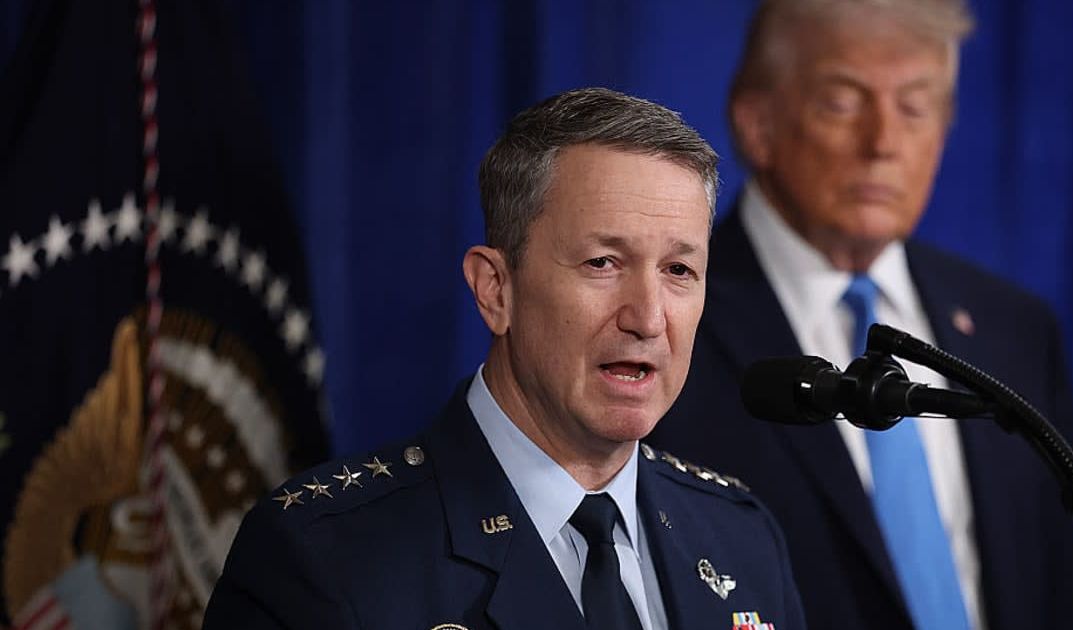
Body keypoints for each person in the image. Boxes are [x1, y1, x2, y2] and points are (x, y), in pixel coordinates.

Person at [203, 87, 807, 630]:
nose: (648, 318)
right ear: (496, 289)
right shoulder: (323, 558)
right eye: (603, 263)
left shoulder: (741, 538)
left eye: (679, 271)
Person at [648, 1, 1073, 629]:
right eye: (843, 102)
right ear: (757, 122)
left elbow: (1061, 586)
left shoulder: (1014, 330)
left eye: (915, 107)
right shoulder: (662, 320)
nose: (883, 142)